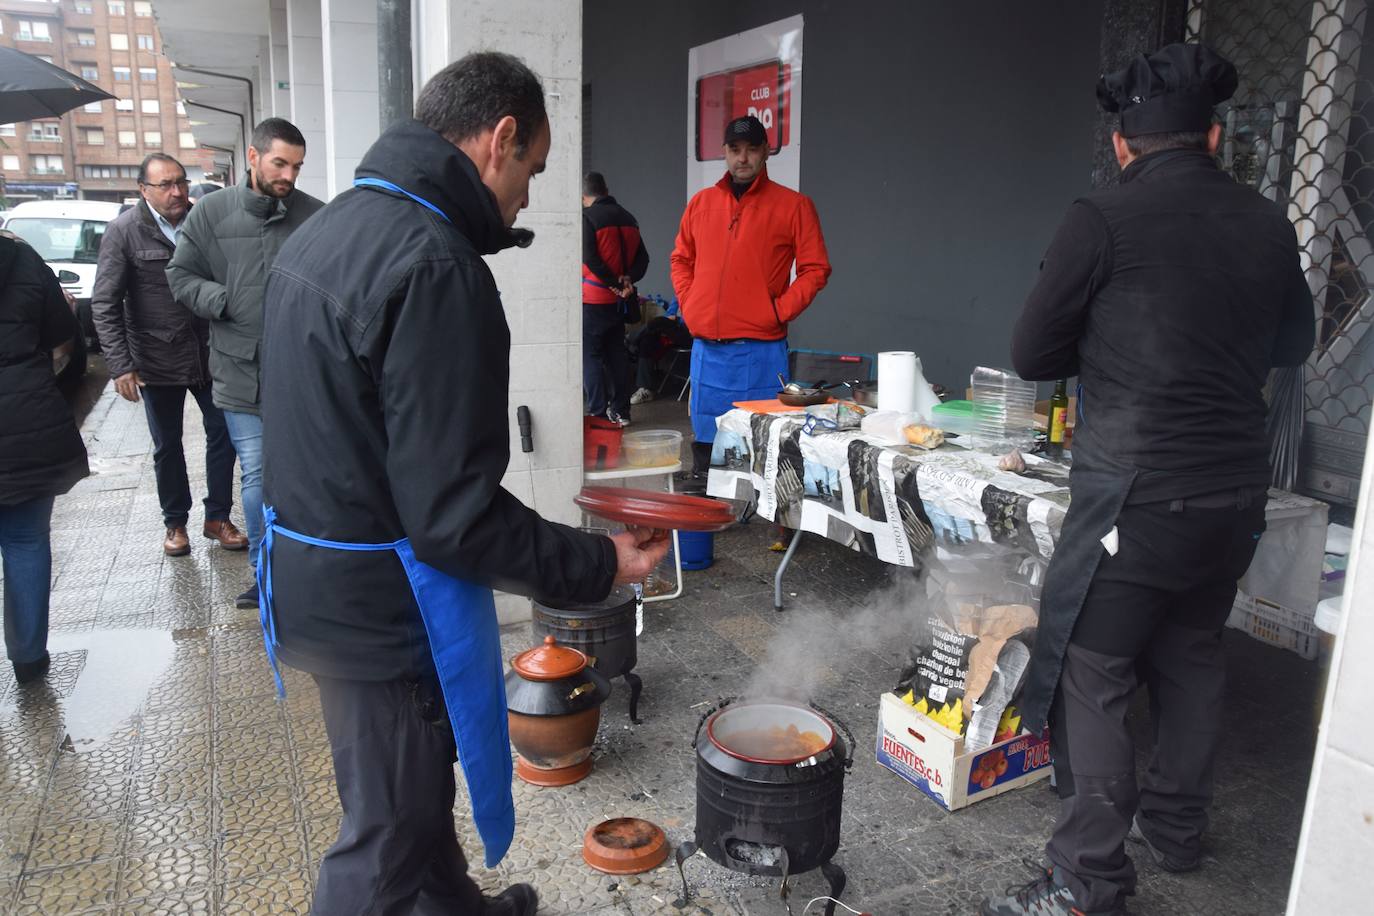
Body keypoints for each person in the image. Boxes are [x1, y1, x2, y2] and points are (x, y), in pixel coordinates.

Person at [257, 52, 670, 916]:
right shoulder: (437, 267)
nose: (527, 199)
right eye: (533, 173)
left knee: (406, 795)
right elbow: (455, 520)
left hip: (313, 579)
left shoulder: (329, 229)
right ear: (500, 140)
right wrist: (602, 566)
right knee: (383, 840)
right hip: (382, 606)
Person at [980, 44, 1315, 916]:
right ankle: (1177, 830)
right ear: (1211, 135)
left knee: (1094, 668)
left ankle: (1086, 881)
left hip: (1136, 492)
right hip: (1237, 496)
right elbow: (1293, 345)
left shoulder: (1102, 217)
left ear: (1124, 145)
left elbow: (1031, 353)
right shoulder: (1270, 222)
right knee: (1193, 652)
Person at [167, 118, 324, 609]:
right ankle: (265, 573)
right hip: (238, 372)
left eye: (297, 166)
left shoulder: (315, 215)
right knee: (256, 474)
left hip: (301, 372)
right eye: (280, 163)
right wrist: (223, 300)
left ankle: (306, 568)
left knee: (303, 475)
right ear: (253, 158)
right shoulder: (211, 213)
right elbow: (180, 274)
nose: (289, 175)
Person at [91, 153, 244, 558]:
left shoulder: (202, 221)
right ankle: (175, 523)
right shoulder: (124, 232)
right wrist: (121, 365)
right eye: (166, 185)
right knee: (167, 446)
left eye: (181, 182)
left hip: (212, 353)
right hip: (157, 359)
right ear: (143, 190)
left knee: (224, 436)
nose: (177, 192)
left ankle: (218, 518)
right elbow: (104, 303)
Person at [670, 114, 831, 475]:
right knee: (706, 445)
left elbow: (815, 269)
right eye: (734, 149)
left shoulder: (794, 206)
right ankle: (709, 523)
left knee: (766, 445)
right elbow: (681, 258)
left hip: (760, 349)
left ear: (765, 154)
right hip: (707, 350)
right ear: (725, 153)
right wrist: (689, 303)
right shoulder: (701, 203)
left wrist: (778, 311)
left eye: (751, 149)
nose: (742, 158)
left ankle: (775, 530)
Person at [0, 231, 90, 684]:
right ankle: (29, 658)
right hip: (26, 419)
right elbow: (63, 335)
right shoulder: (21, 258)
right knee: (25, 540)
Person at [582, 170, 649, 426]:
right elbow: (643, 259)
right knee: (617, 356)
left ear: (584, 196)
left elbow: (590, 258)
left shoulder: (588, 218)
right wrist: (627, 280)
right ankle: (621, 412)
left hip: (593, 300)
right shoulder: (629, 218)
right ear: (606, 190)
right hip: (619, 303)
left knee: (592, 358)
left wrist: (613, 283)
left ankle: (598, 414)